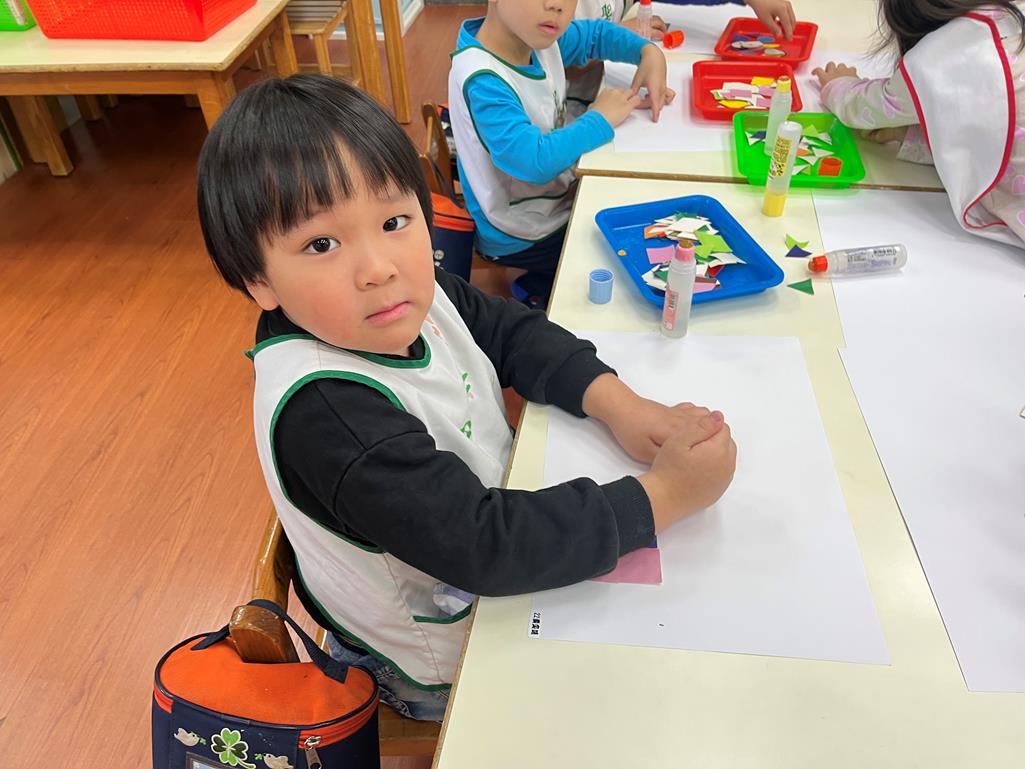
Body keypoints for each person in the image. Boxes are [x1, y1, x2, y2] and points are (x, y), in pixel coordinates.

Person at [197, 75, 737, 720]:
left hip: (480, 536)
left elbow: (513, 332)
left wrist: (620, 405)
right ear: (258, 281)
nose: (379, 267)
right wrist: (668, 495)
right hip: (434, 659)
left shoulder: (405, 300)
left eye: (394, 221)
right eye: (321, 244)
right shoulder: (331, 416)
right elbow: (484, 548)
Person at [448, 0, 674, 307]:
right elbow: (534, 161)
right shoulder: (483, 80)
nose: (557, 6)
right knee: (629, 256)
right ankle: (542, 289)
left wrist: (648, 52)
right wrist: (599, 118)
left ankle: (543, 282)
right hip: (520, 233)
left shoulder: (533, 37)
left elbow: (595, 35)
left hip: (554, 201)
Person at [813, 0, 1025, 248]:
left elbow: (861, 108)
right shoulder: (1012, 14)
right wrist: (909, 135)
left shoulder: (938, 56)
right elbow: (989, 134)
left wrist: (838, 84)